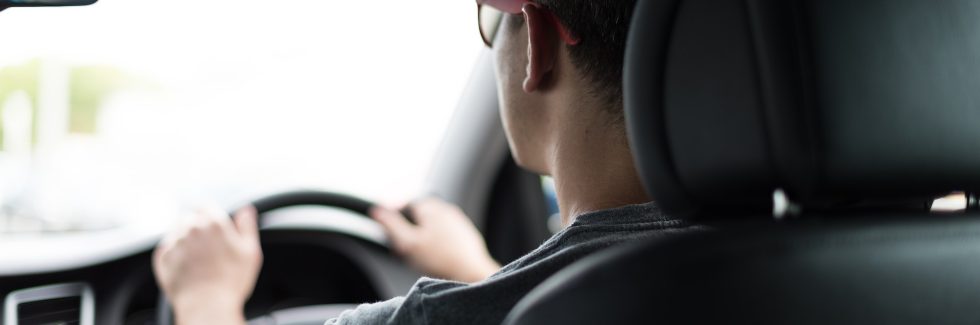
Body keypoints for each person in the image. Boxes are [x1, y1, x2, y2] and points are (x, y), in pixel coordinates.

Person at [153, 0, 698, 323]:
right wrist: (478, 273)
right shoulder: (770, 253)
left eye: (487, 18)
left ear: (536, 42)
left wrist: (206, 297)